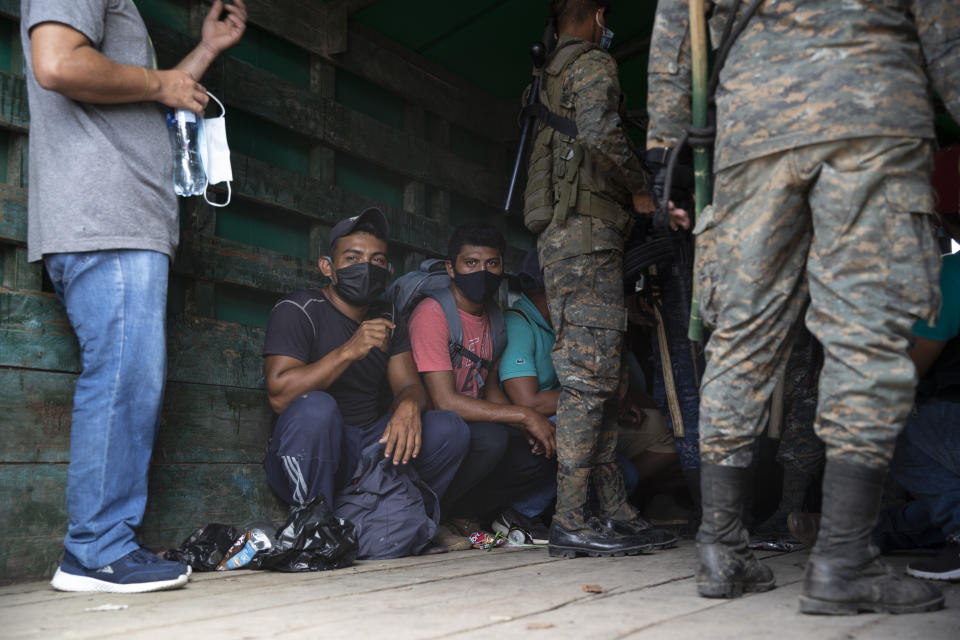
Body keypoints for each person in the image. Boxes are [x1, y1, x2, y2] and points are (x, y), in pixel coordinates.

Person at [647, 0, 958, 614]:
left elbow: (679, 23)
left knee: (740, 339)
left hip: (753, 126)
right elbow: (946, 27)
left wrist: (665, 147)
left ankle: (721, 544)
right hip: (870, 110)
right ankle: (843, 560)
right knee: (864, 335)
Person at [22, 0, 246, 593]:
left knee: (130, 376)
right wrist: (161, 81)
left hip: (122, 222)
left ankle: (102, 545)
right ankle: (95, 550)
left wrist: (202, 53)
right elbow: (57, 63)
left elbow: (153, 91)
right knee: (123, 376)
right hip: (105, 218)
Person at [530, 0, 688, 558]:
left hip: (577, 241)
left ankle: (612, 509)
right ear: (597, 15)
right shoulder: (594, 63)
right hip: (585, 237)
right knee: (589, 383)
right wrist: (640, 187)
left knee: (606, 379)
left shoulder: (549, 74)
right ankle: (571, 517)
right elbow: (599, 131)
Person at [262, 208, 470, 528]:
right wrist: (348, 351)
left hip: (367, 451)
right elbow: (280, 397)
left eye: (376, 261)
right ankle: (315, 524)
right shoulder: (298, 309)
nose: (366, 267)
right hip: (311, 455)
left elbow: (409, 386)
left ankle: (390, 514)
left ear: (388, 270)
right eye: (353, 258)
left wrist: (409, 406)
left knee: (449, 428)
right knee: (316, 407)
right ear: (328, 268)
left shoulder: (388, 315)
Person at [498, 249, 678, 547]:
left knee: (628, 476)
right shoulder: (521, 322)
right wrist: (594, 398)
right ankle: (519, 514)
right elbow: (527, 404)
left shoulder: (564, 323)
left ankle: (589, 514)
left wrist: (610, 399)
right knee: (573, 424)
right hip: (523, 431)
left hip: (556, 420)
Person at [408, 223, 557, 547]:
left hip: (469, 430)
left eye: (492, 264)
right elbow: (445, 401)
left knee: (540, 449)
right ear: (451, 267)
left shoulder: (495, 318)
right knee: (490, 438)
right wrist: (523, 415)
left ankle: (465, 512)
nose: (483, 272)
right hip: (432, 435)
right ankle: (429, 515)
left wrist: (530, 426)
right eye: (471, 263)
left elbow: (488, 389)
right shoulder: (433, 314)